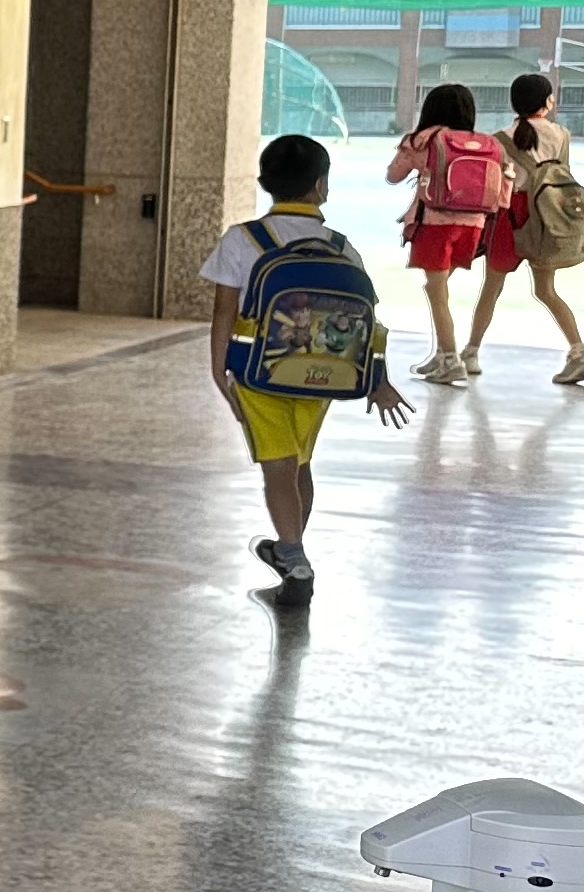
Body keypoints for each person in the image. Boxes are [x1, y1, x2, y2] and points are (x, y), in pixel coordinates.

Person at [204, 132, 412, 592]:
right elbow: (367, 320)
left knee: (277, 465)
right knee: (300, 463)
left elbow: (223, 311)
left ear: (265, 183)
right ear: (321, 185)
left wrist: (220, 370)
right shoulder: (340, 246)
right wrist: (377, 380)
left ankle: (294, 558)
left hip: (260, 374)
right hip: (324, 375)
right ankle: (292, 546)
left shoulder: (243, 239)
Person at [462, 70, 584, 388]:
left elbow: (494, 184)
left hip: (510, 217)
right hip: (546, 218)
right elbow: (561, 176)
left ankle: (470, 353)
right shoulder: (561, 135)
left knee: (492, 288)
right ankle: (578, 351)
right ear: (547, 101)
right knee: (546, 291)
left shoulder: (500, 138)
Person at [392, 81, 507, 382]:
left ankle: (449, 358)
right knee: (437, 288)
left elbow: (394, 175)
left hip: (436, 223)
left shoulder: (424, 139)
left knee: (436, 291)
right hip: (474, 225)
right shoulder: (486, 143)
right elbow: (505, 190)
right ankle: (442, 352)